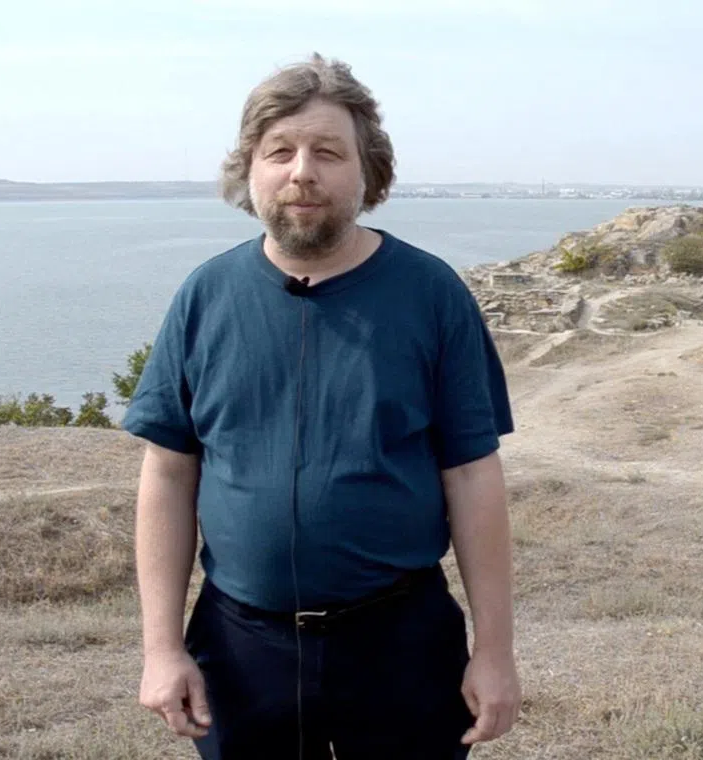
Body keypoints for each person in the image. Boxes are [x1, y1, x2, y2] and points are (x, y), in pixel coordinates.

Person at [123, 52, 521, 759]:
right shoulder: (204, 297)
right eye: (280, 150)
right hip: (241, 648)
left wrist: (494, 652)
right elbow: (169, 472)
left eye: (328, 152)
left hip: (401, 642)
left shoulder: (432, 296)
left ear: (369, 171)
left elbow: (472, 475)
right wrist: (161, 648)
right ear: (250, 168)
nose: (302, 170)